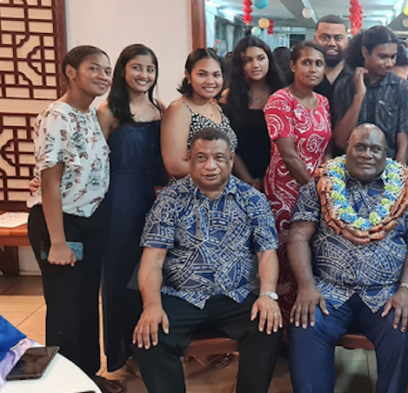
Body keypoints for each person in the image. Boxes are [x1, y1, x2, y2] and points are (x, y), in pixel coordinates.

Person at [132, 128, 282, 393]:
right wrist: (152, 306)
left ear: (231, 159)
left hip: (235, 295)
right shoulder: (170, 199)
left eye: (219, 158)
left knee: (267, 327)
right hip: (182, 295)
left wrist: (268, 294)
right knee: (150, 337)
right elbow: (153, 259)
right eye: (201, 158)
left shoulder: (252, 199)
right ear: (189, 159)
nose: (210, 166)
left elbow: (267, 252)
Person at [287, 124, 408, 393]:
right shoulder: (320, 184)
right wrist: (306, 286)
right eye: (360, 147)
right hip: (329, 290)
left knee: (403, 329)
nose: (367, 154)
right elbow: (297, 237)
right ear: (347, 149)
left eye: (375, 148)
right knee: (305, 326)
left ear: (386, 154)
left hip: (385, 292)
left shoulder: (406, 190)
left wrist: (407, 289)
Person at [26, 45, 123, 393]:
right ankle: (65, 386)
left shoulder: (90, 113)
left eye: (107, 70)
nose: (102, 76)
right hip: (60, 223)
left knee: (85, 305)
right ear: (70, 72)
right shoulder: (57, 115)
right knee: (65, 311)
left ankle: (88, 379)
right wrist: (57, 242)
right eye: (94, 68)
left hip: (89, 220)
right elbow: (50, 185)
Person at [96, 44, 169, 373]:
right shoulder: (107, 112)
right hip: (120, 200)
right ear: (123, 71)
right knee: (119, 276)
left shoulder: (162, 109)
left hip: (156, 198)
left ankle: (150, 348)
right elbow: (93, 166)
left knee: (154, 274)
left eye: (150, 69)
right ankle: (121, 354)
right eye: (137, 67)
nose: (144, 75)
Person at [263, 41, 332, 327]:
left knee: (312, 253)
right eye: (306, 62)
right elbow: (288, 154)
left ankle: (308, 329)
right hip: (285, 191)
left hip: (317, 188)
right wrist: (316, 190)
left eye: (318, 63)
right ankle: (281, 333)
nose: (313, 68)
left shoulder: (323, 102)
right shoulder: (280, 100)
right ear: (293, 66)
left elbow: (326, 147)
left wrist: (328, 178)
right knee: (286, 258)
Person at [333, 26, 408, 162]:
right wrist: (359, 96)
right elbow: (341, 141)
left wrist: (397, 178)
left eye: (393, 57)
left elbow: (403, 146)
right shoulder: (345, 85)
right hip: (349, 170)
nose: (389, 63)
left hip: (388, 170)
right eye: (383, 57)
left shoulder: (402, 88)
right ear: (365, 52)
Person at [221, 37, 286, 192]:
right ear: (240, 66)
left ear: (269, 60)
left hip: (278, 177)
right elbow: (228, 144)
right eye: (247, 60)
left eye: (261, 58)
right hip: (239, 177)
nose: (255, 65)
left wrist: (269, 179)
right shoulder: (229, 97)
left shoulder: (283, 95)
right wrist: (248, 181)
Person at [161, 48, 234, 179]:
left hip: (220, 186)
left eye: (216, 75)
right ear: (188, 75)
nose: (210, 81)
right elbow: (174, 165)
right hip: (191, 191)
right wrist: (217, 170)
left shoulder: (216, 108)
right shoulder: (179, 109)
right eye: (202, 74)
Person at [313, 15, 350, 108]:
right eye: (324, 38)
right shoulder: (302, 76)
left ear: (347, 41)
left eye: (338, 38)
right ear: (315, 39)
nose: (331, 43)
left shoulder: (357, 75)